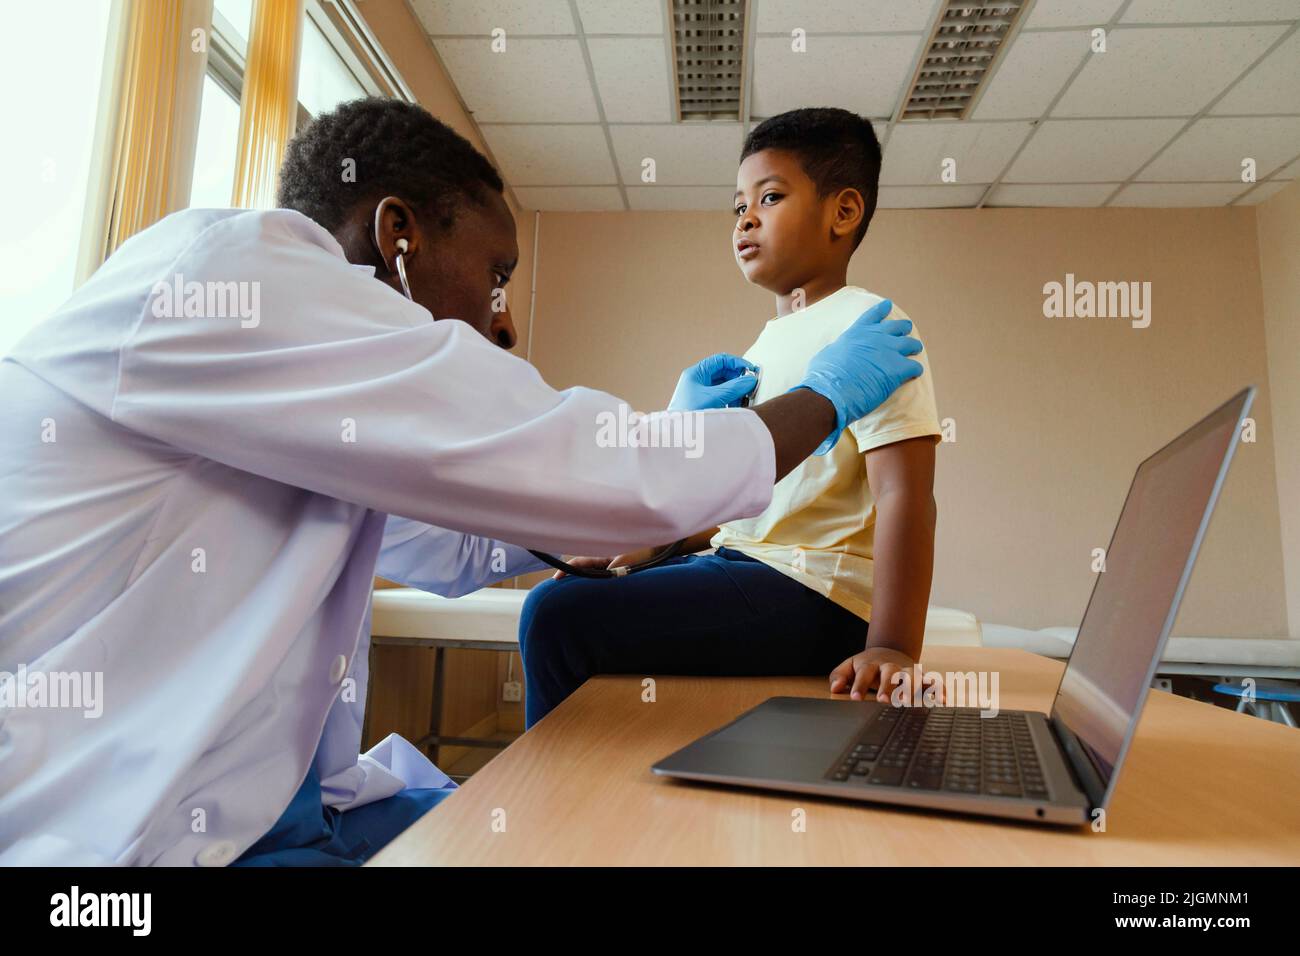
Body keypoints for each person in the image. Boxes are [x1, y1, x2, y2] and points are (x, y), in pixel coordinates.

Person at [0, 99, 925, 865]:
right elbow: (586, 467)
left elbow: (457, 540)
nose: (505, 322)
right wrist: (820, 399)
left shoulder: (303, 381)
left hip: (243, 804)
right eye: (495, 276)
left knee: (532, 833)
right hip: (101, 847)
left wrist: (655, 469)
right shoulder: (236, 279)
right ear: (396, 234)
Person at [518, 108, 942, 728]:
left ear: (843, 212)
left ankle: (549, 800)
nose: (745, 218)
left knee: (558, 619)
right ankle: (586, 783)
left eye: (769, 197)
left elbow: (909, 495)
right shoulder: (762, 348)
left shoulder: (873, 328)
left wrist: (893, 646)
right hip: (743, 565)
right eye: (738, 205)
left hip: (814, 591)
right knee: (565, 595)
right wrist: (641, 553)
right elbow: (732, 500)